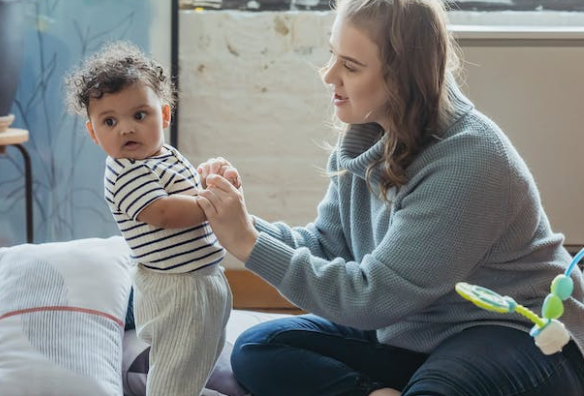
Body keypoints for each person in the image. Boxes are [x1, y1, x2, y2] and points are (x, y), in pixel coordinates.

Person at [194, 0, 584, 395]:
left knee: (437, 387)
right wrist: (233, 217)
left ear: (403, 79)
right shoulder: (366, 139)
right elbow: (328, 247)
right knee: (260, 348)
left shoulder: (470, 161)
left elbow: (368, 298)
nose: (329, 76)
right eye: (333, 54)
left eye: (350, 66)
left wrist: (247, 243)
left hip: (521, 334)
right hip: (418, 331)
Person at [65, 41, 234, 396]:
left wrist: (213, 176)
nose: (126, 129)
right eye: (110, 121)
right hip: (175, 288)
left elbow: (185, 189)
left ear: (165, 115)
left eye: (139, 115)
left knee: (200, 356)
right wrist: (213, 199)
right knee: (176, 365)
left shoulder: (162, 156)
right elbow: (164, 212)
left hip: (204, 278)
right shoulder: (123, 172)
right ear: (94, 133)